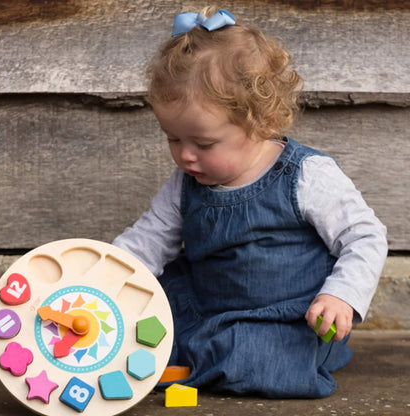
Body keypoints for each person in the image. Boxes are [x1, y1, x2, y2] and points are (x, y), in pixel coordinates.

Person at [113, 7, 388, 398]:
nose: (185, 156)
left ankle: (192, 361)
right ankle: (188, 354)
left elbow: (365, 237)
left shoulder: (307, 176)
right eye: (173, 138)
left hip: (285, 320)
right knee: (146, 307)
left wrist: (341, 294)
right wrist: (103, 279)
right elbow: (147, 241)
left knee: (255, 358)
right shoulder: (185, 182)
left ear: (263, 122)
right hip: (207, 305)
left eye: (203, 143)